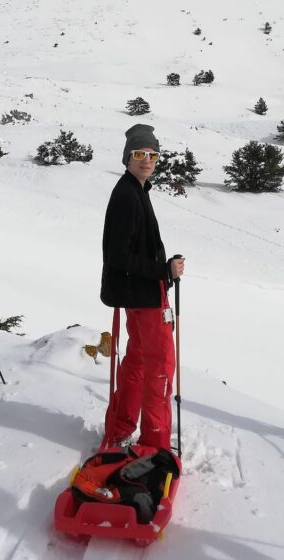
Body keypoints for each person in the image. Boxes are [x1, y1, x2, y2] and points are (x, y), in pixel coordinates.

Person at [100, 124, 185, 450]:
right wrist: (162, 270)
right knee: (160, 368)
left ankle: (120, 428)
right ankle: (154, 443)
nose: (147, 160)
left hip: (139, 295)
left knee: (137, 362)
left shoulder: (135, 189)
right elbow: (118, 255)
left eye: (152, 154)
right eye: (139, 154)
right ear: (127, 158)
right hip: (147, 298)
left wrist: (164, 269)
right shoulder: (127, 195)